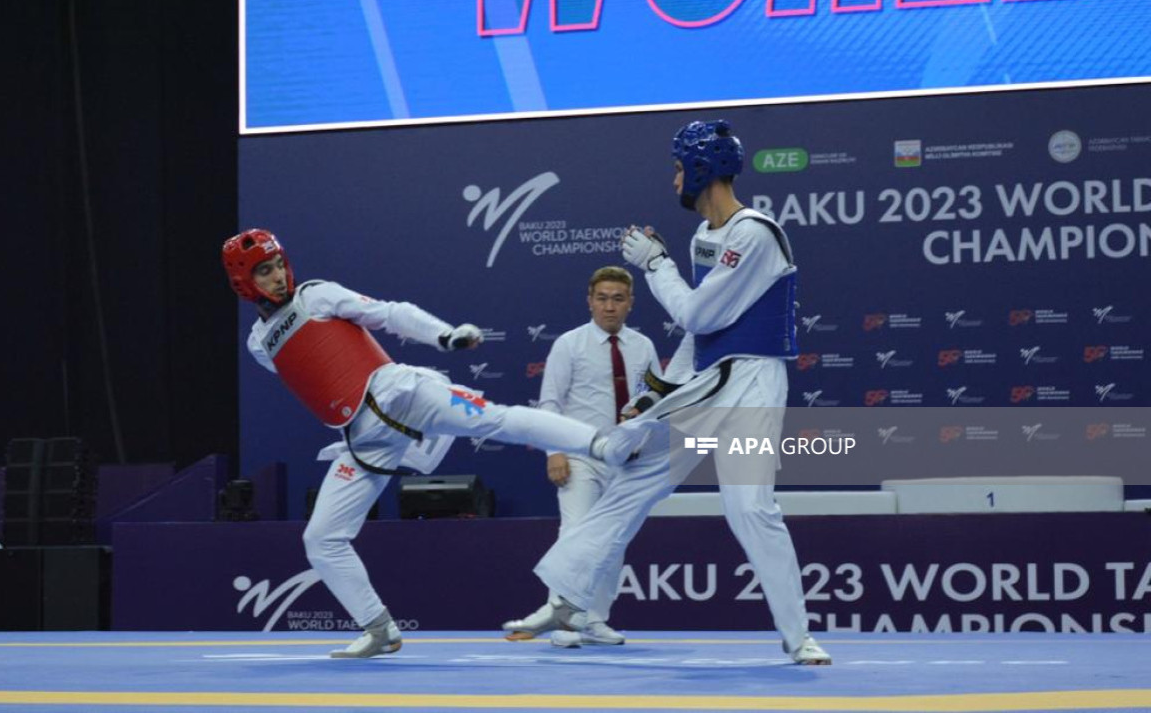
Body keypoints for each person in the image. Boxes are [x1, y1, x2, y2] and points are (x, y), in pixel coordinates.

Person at [504, 120, 831, 665]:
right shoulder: (705, 237)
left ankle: (798, 636)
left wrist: (656, 264)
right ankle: (567, 598)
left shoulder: (757, 232)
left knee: (750, 507)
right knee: (632, 482)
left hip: (751, 385)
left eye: (679, 167)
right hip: (705, 383)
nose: (674, 178)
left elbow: (695, 310)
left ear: (702, 168)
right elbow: (700, 333)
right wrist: (654, 393)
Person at [222, 229, 610, 659]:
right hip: (363, 442)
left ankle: (597, 442)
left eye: (278, 265)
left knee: (497, 420)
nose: (278, 276)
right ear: (243, 282)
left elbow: (390, 313)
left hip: (402, 396)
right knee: (322, 538)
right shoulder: (259, 344)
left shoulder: (316, 295)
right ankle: (379, 629)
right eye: (264, 271)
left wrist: (445, 336)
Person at [502, 267, 658, 646]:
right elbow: (550, 401)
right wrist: (554, 451)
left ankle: (593, 620)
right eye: (602, 298)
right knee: (575, 534)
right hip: (580, 454)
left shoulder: (644, 347)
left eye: (618, 299)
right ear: (589, 301)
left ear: (630, 304)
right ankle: (562, 617)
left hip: (627, 460)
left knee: (614, 540)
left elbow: (655, 401)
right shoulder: (569, 345)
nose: (609, 306)